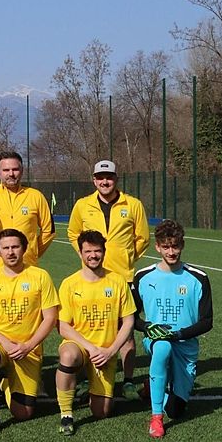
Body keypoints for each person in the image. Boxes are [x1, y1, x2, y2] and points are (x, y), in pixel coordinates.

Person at [67, 159, 149, 399]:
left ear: (116, 179)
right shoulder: (82, 205)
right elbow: (73, 233)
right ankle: (87, 378)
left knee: (127, 330)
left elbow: (142, 237)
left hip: (123, 277)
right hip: (91, 278)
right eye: (100, 177)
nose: (105, 181)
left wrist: (126, 257)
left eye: (109, 177)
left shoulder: (133, 204)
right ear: (94, 180)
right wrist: (85, 256)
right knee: (89, 328)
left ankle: (128, 380)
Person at [0, 229, 58, 436]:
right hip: (0, 343)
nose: (10, 252)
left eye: (15, 247)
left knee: (23, 413)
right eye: (6, 248)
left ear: (24, 249)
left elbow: (50, 318)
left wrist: (28, 345)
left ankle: (5, 383)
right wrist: (5, 343)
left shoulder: (40, 276)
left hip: (28, 349)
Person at [132, 220, 213, 438]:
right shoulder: (143, 276)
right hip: (155, 340)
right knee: (163, 347)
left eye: (175, 246)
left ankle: (153, 387)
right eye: (166, 247)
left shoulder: (198, 278)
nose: (171, 252)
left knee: (176, 411)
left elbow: (207, 321)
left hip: (185, 345)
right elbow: (132, 317)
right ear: (157, 247)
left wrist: (178, 334)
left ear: (182, 245)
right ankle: (156, 418)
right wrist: (148, 327)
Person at [55, 230, 136, 435]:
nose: (93, 255)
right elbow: (63, 326)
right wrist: (91, 349)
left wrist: (110, 351)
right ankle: (66, 414)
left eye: (97, 251)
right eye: (88, 251)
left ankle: (94, 389)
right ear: (80, 253)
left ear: (104, 252)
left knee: (102, 411)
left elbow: (128, 321)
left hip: (106, 351)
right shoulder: (69, 283)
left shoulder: (117, 281)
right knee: (68, 355)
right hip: (81, 347)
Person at [0, 151, 55, 269]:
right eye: (6, 170)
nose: (11, 174)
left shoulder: (36, 196)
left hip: (28, 267)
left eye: (15, 169)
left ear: (22, 171)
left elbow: (49, 231)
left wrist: (31, 252)